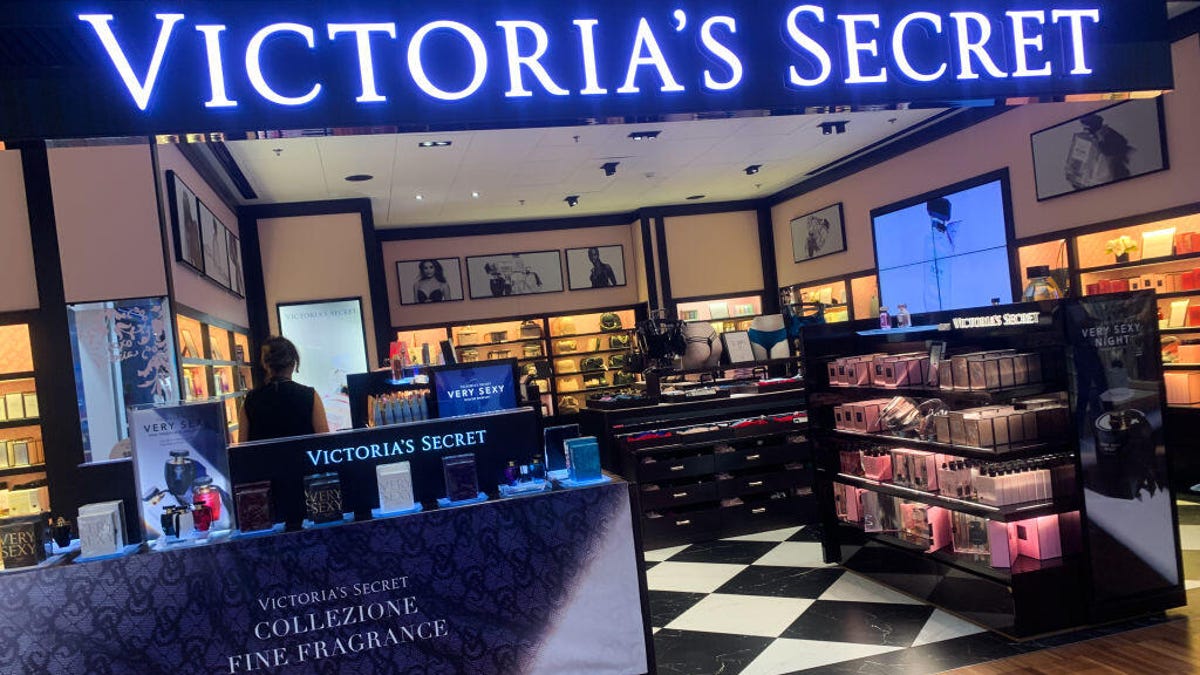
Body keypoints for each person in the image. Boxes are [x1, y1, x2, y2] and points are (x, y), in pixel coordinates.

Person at [238, 336, 329, 443]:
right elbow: (325, 441)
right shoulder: (310, 396)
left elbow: (242, 446)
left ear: (265, 365)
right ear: (293, 364)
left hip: (266, 455)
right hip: (303, 454)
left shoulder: (250, 400)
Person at [1066, 113, 1132, 190]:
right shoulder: (1082, 139)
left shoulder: (1111, 137)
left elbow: (1114, 155)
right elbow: (1072, 167)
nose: (1088, 132)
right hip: (1086, 185)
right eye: (1086, 128)